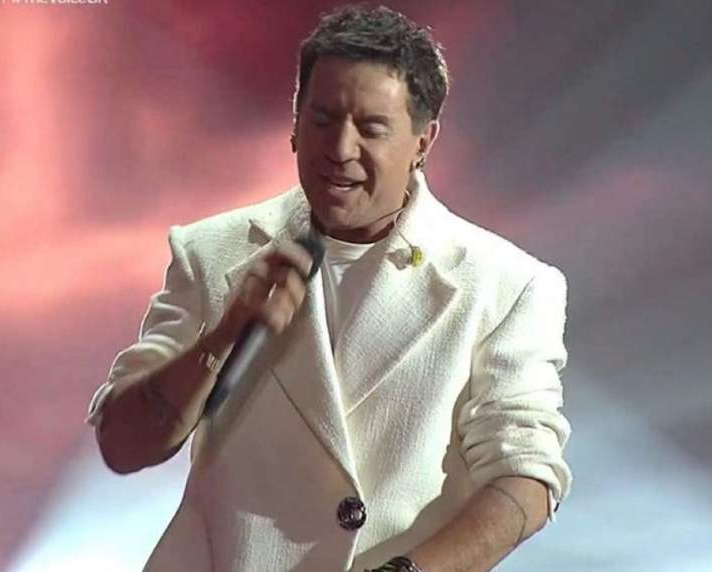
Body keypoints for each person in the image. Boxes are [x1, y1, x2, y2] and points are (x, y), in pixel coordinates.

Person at [86, 5, 571, 571]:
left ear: (423, 141)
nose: (340, 149)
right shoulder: (211, 252)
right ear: (295, 124)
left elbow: (526, 477)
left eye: (371, 128)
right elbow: (122, 446)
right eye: (322, 119)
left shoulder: (507, 285)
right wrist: (225, 334)